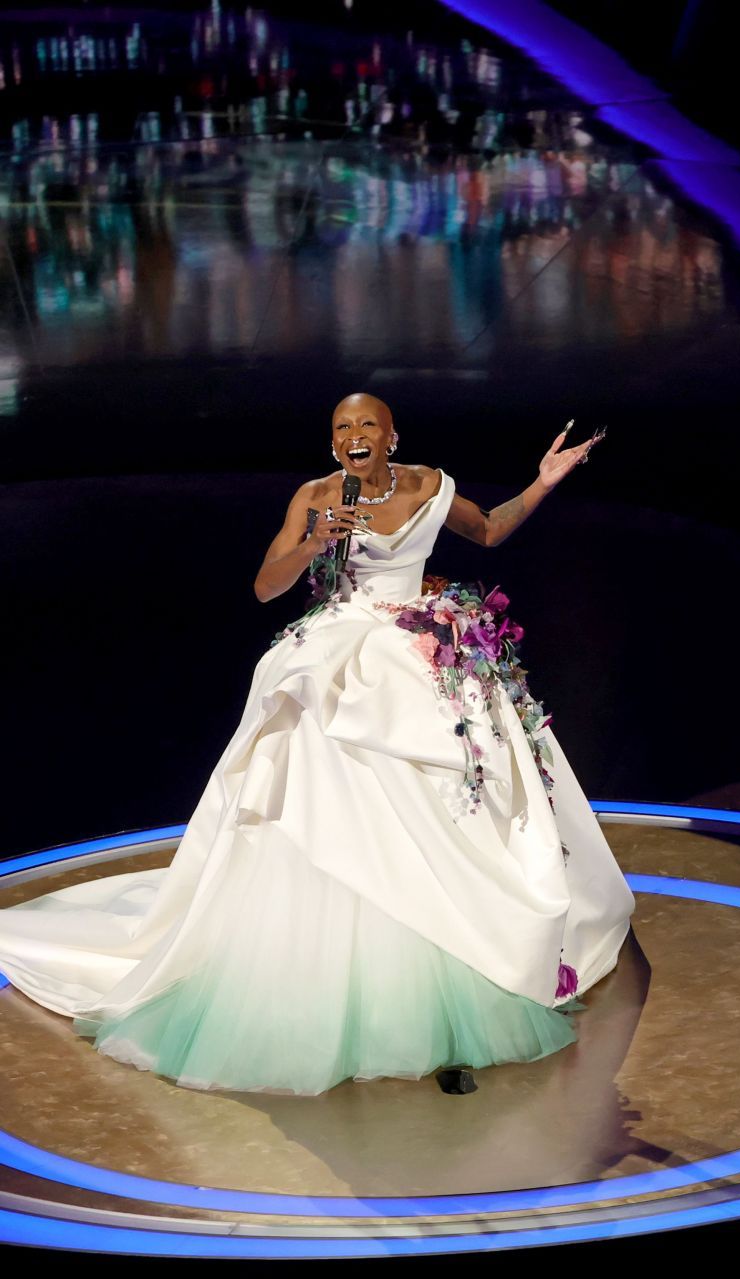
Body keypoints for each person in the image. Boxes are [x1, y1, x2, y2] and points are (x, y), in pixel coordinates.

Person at [0, 394, 635, 1094]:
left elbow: (486, 531)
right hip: (339, 655)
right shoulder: (314, 497)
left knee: (445, 802)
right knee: (326, 784)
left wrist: (543, 482)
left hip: (416, 648)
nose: (354, 436)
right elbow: (267, 586)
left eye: (367, 425)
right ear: (333, 444)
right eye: (342, 428)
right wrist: (314, 540)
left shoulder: (429, 483)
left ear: (393, 435)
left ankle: (454, 951)